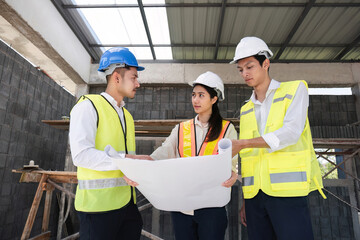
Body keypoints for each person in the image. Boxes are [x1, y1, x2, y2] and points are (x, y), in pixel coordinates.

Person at [229, 36, 326, 240]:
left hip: (288, 194)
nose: (245, 74)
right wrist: (246, 200)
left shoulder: (294, 90)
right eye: (240, 69)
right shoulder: (246, 109)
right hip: (255, 197)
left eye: (250, 66)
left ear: (266, 63)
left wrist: (244, 143)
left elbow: (291, 132)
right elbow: (247, 158)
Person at [140, 71, 238, 240]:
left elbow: (231, 162)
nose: (195, 100)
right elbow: (165, 150)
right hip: (183, 206)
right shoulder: (181, 128)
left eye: (201, 95)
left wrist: (232, 173)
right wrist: (147, 161)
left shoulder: (227, 129)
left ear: (214, 99)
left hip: (212, 206)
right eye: (193, 95)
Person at [69, 47, 151, 240]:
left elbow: (124, 161)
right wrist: (126, 160)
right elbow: (81, 155)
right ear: (116, 77)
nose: (137, 83)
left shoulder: (127, 116)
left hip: (127, 205)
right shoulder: (88, 106)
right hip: (97, 209)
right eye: (133, 77)